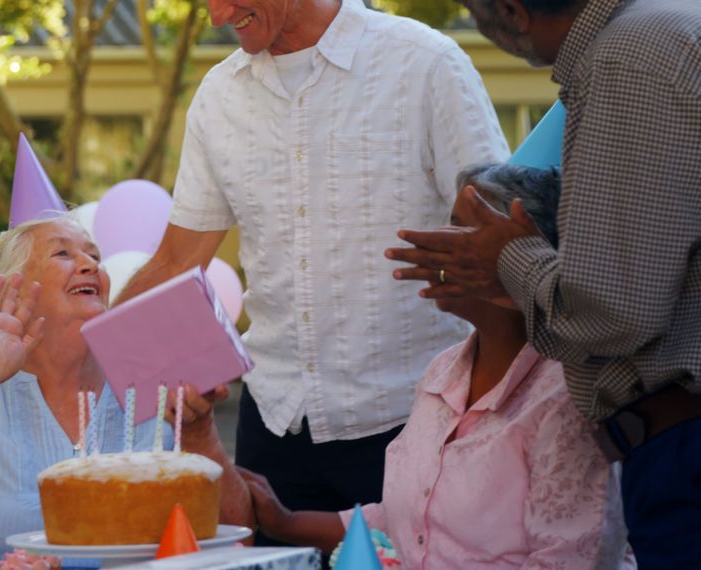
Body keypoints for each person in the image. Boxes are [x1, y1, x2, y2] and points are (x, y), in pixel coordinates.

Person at [114, 0, 511, 539]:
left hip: (417, 422)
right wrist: (79, 351)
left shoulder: (426, 63)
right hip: (272, 425)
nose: (215, 16)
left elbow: (502, 236)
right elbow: (176, 261)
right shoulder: (218, 95)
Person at [384, 0, 701, 565]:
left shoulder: (627, 57)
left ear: (510, 11)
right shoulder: (669, 28)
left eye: (466, 239)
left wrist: (509, 258)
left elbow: (613, 314)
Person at [240, 164, 634, 568]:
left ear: (528, 254)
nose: (438, 245)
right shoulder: (441, 374)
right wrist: (284, 522)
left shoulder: (569, 395)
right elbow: (407, 522)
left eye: (464, 234)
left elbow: (571, 560)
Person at [0, 214, 250, 570]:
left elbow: (241, 536)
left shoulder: (156, 383)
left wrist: (200, 434)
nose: (90, 264)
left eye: (95, 256)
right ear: (12, 289)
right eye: (63, 253)